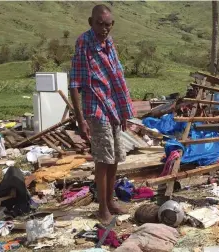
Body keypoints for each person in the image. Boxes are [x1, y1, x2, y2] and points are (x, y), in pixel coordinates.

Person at [69, 4, 135, 224]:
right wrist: (81, 120)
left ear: (112, 25)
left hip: (114, 107)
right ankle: (102, 208)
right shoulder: (84, 43)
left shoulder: (109, 43)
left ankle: (111, 200)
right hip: (96, 107)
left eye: (108, 25)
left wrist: (125, 111)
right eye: (99, 24)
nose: (104, 28)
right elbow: (75, 83)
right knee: (103, 159)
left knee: (115, 156)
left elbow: (117, 77)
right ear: (91, 22)